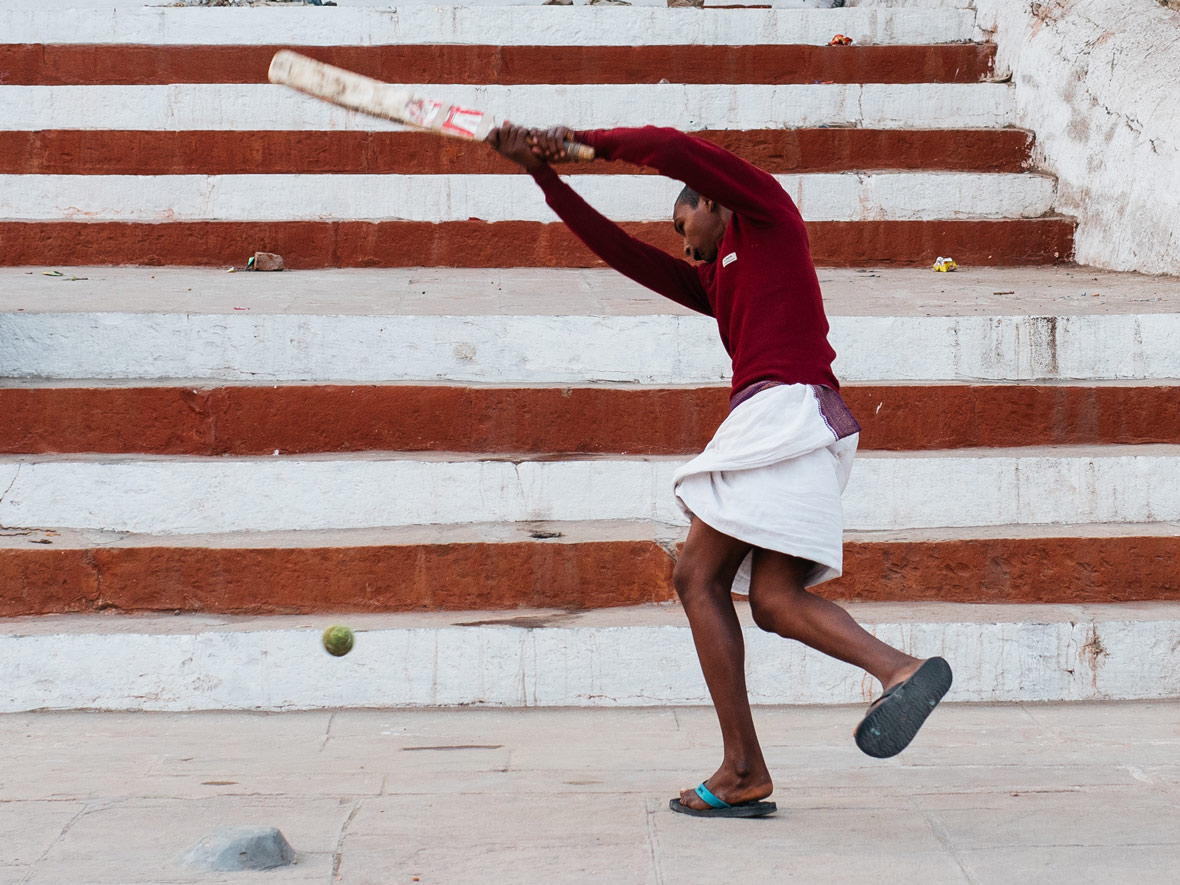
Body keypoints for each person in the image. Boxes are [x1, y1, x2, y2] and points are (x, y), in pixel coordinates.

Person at [487, 123, 952, 818]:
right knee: (774, 602)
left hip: (783, 411)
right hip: (807, 425)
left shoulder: (768, 215)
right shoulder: (716, 277)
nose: (684, 245)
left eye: (684, 226)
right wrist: (545, 179)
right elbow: (625, 255)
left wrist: (576, 142)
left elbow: (672, 146)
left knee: (696, 575)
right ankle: (898, 670)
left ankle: (742, 766)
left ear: (710, 200)